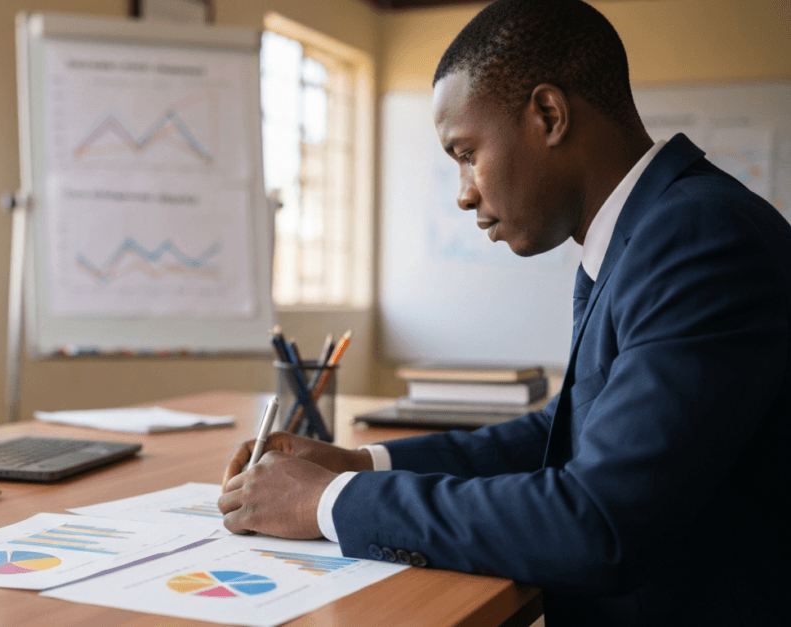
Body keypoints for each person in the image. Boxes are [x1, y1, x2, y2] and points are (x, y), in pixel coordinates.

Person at [217, 1, 791, 625]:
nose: (464, 194)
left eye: (466, 153)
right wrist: (362, 464)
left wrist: (331, 501)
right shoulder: (646, 234)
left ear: (549, 115)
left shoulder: (700, 236)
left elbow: (599, 523)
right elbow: (557, 437)